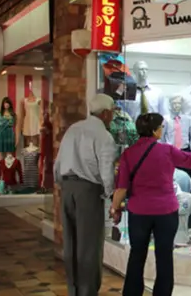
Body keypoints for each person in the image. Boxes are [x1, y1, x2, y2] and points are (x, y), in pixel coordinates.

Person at [110, 113, 191, 296]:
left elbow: (121, 188)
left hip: (139, 212)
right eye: (161, 127)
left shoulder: (129, 153)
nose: (163, 130)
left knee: (137, 255)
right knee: (164, 256)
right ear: (154, 131)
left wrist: (115, 207)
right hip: (166, 212)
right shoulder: (167, 150)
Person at [55, 94, 118, 296]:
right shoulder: (104, 136)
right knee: (89, 245)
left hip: (67, 188)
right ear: (105, 113)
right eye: (112, 112)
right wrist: (111, 196)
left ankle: (73, 290)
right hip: (89, 191)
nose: (113, 116)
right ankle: (87, 291)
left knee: (70, 244)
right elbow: (107, 173)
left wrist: (64, 186)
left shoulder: (73, 129)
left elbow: (58, 164)